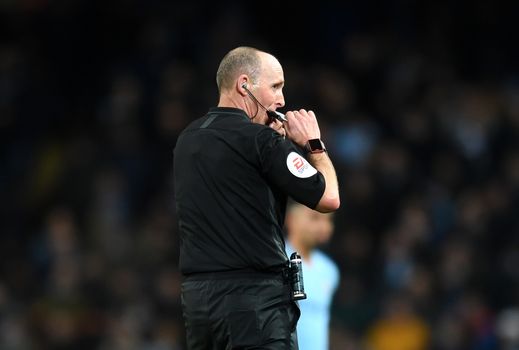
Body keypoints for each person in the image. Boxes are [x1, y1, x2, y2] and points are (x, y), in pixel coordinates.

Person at [173, 46, 340, 349]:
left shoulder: (187, 139)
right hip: (255, 303)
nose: (282, 100)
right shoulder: (261, 142)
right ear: (244, 85)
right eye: (276, 86)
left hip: (198, 304)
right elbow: (329, 198)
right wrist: (314, 145)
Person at [284, 200, 340, 350]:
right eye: (314, 218)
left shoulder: (329, 270)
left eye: (328, 220)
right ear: (291, 219)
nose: (323, 226)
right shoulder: (277, 261)